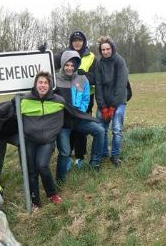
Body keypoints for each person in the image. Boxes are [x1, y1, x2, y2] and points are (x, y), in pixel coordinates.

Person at [55, 51, 105, 182]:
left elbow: (85, 100)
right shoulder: (54, 80)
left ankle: (95, 162)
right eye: (67, 65)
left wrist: (79, 112)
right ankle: (60, 180)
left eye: (73, 65)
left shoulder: (83, 79)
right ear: (62, 64)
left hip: (78, 119)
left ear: (76, 65)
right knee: (65, 152)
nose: (70, 68)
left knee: (100, 130)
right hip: (63, 122)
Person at [20, 71, 65, 210]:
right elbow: (11, 114)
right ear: (36, 84)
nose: (43, 85)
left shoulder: (58, 101)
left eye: (46, 83)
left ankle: (52, 194)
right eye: (40, 82)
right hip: (30, 141)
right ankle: (35, 201)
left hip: (47, 141)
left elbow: (71, 114)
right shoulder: (25, 100)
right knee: (31, 170)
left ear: (50, 85)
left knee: (42, 166)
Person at [55, 30, 97, 167]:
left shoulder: (91, 57)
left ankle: (80, 156)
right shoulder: (64, 54)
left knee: (80, 130)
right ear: (71, 42)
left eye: (79, 40)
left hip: (85, 97)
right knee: (68, 128)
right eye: (74, 40)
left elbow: (96, 78)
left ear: (84, 42)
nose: (77, 43)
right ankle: (68, 154)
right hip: (67, 98)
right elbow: (51, 62)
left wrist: (84, 75)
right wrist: (42, 52)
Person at [95, 36, 129, 167]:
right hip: (104, 102)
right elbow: (98, 86)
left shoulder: (120, 61)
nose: (105, 52)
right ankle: (103, 153)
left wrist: (113, 107)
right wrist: (103, 107)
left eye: (108, 49)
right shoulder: (99, 63)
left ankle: (115, 156)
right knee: (101, 129)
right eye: (103, 49)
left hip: (118, 102)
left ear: (112, 48)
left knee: (116, 129)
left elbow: (121, 85)